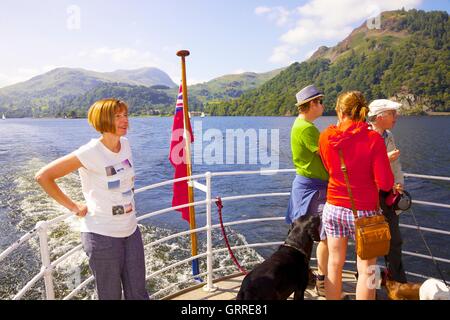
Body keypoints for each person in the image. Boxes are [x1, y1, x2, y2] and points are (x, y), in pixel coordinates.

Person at [35, 99, 149, 300]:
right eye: (117, 116)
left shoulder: (125, 144)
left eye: (125, 115)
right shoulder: (90, 152)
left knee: (138, 294)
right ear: (104, 120)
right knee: (110, 295)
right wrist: (73, 206)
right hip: (102, 236)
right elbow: (44, 176)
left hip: (131, 232)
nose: (125, 121)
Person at [319, 91, 394, 300]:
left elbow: (328, 168)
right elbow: (386, 183)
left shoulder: (325, 137)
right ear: (363, 112)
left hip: (333, 207)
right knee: (367, 269)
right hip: (365, 212)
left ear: (339, 111)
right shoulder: (373, 139)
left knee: (334, 264)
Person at [285, 84, 329, 297]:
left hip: (306, 186)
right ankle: (320, 280)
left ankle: (303, 275)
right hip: (313, 189)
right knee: (323, 236)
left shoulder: (300, 124)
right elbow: (326, 155)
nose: (322, 105)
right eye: (320, 101)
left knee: (299, 236)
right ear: (311, 104)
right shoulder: (307, 128)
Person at [368, 99, 407, 284]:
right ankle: (371, 289)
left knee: (395, 242)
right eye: (393, 114)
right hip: (372, 198)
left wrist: (398, 184)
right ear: (380, 116)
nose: (396, 117)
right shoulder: (366, 136)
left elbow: (396, 166)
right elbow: (363, 168)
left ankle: (397, 285)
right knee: (372, 246)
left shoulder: (388, 135)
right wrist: (385, 158)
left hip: (389, 196)